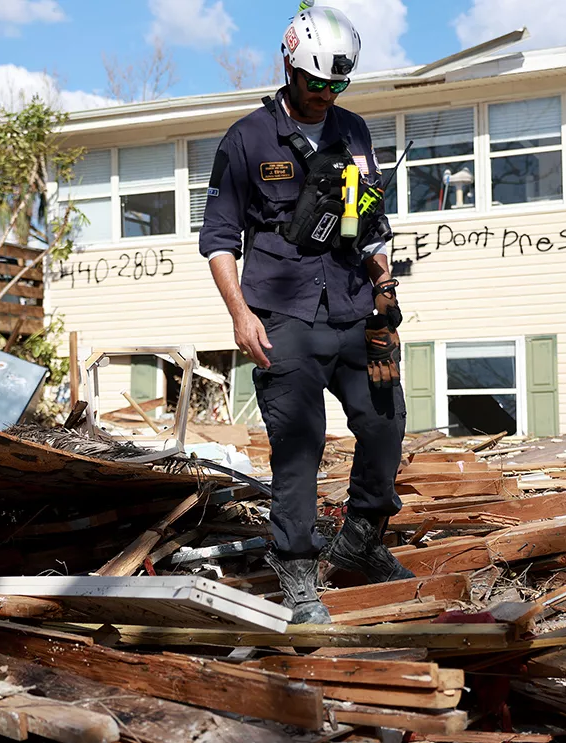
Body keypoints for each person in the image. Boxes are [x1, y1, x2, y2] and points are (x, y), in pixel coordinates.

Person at [199, 5, 412, 624]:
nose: (326, 95)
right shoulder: (246, 138)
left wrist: (386, 287)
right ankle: (296, 569)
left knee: (385, 423)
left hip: (352, 306)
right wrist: (239, 315)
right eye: (316, 83)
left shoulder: (355, 131)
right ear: (289, 68)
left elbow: (369, 222)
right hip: (281, 316)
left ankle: (363, 541)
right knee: (299, 445)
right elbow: (218, 238)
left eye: (337, 85)